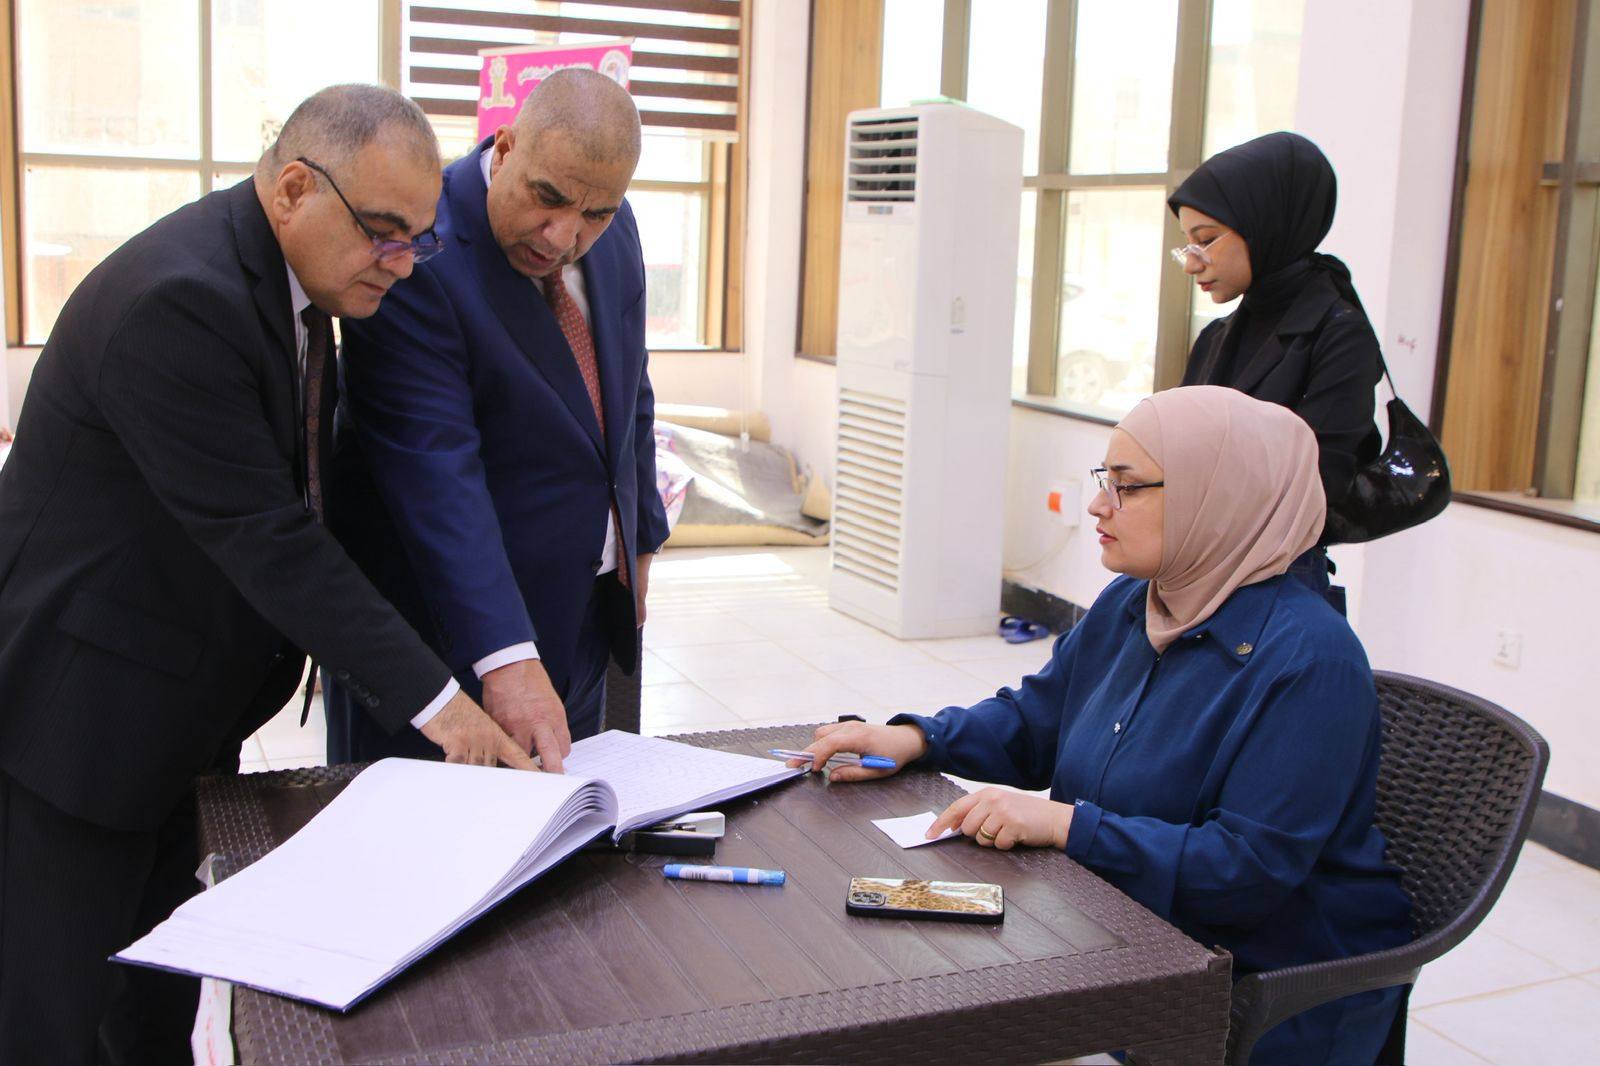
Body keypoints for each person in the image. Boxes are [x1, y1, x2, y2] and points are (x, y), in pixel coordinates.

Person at [0, 85, 534, 1065]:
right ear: (294, 189)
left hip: (170, 713)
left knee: (157, 998)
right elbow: (269, 537)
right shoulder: (180, 301)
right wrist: (447, 708)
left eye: (420, 238)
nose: (403, 262)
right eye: (383, 232)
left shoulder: (292, 284)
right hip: (78, 724)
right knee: (51, 1015)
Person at [797, 386, 1413, 1065]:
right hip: (1118, 925)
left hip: (1261, 984)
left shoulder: (1311, 660)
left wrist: (1065, 825)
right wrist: (917, 738)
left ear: (1219, 498)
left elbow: (1245, 871)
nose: (1097, 505)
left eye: (1128, 486)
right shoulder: (1139, 600)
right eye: (1104, 480)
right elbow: (1035, 721)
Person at [324, 68, 671, 771]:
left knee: (565, 825)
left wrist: (638, 543)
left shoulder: (616, 227)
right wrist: (505, 655)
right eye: (548, 198)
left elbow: (629, 388)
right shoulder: (421, 245)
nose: (563, 236)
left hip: (580, 614)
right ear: (506, 147)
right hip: (449, 645)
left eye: (595, 213)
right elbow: (434, 471)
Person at [1168, 131, 1383, 611]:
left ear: (1266, 225)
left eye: (1205, 241)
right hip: (1194, 570)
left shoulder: (1338, 333)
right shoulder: (1218, 336)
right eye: (1187, 245)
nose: (1191, 264)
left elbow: (1315, 489)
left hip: (1270, 586)